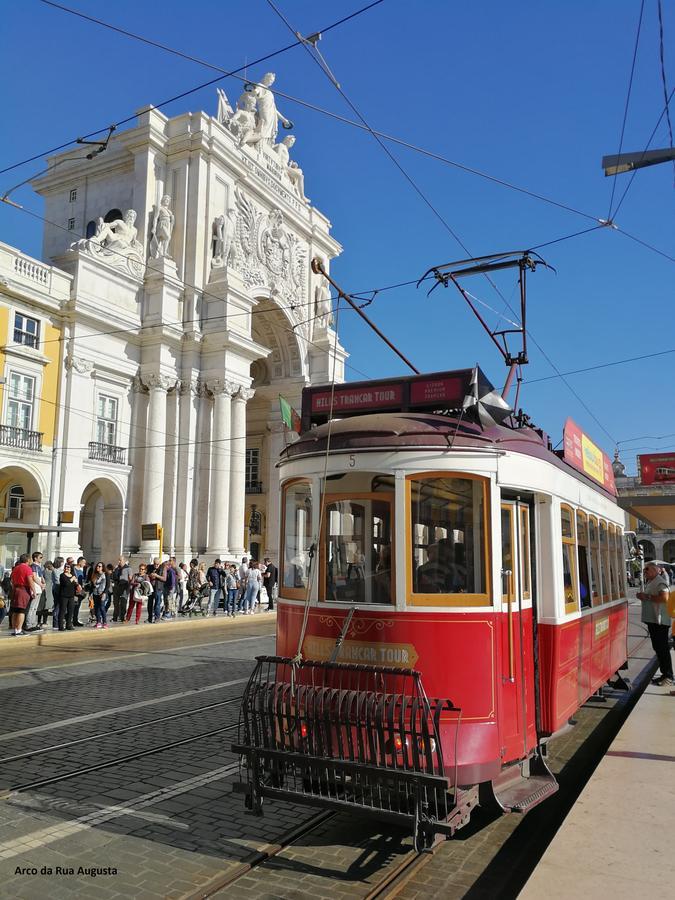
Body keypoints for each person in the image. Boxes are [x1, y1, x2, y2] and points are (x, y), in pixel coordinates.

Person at [637, 562, 673, 686]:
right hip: (653, 620)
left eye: (647, 570)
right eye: (644, 570)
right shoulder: (651, 582)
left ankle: (668, 676)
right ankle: (665, 675)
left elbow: (665, 598)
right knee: (658, 648)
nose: (644, 572)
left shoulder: (660, 581)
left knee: (662, 649)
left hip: (660, 621)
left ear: (655, 570)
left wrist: (646, 596)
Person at [10, 554, 40, 636]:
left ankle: (15, 629)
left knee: (15, 610)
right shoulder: (27, 568)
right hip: (23, 590)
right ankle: (19, 630)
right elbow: (30, 580)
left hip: (15, 589)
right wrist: (33, 591)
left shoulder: (16, 568)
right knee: (21, 611)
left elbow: (12, 580)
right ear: (28, 560)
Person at [26, 551, 46, 633]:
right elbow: (34, 577)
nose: (42, 559)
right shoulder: (33, 566)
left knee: (35, 608)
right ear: (35, 558)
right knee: (32, 607)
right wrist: (41, 584)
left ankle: (33, 624)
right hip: (36, 588)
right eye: (40, 557)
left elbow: (41, 576)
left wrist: (43, 583)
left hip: (39, 589)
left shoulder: (38, 566)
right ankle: (29, 624)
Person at [58, 562, 79, 631]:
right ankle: (61, 626)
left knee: (70, 611)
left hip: (71, 596)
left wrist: (78, 585)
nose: (67, 568)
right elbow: (66, 584)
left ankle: (69, 625)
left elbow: (75, 584)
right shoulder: (62, 575)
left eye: (68, 567)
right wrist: (72, 578)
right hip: (64, 596)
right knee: (63, 611)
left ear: (71, 568)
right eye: (66, 567)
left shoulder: (72, 575)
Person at [88, 562, 108, 629]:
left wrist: (104, 592)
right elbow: (92, 586)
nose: (98, 567)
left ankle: (105, 622)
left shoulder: (105, 574)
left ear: (102, 567)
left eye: (99, 566)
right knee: (96, 608)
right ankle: (98, 622)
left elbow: (107, 585)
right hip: (95, 593)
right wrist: (90, 594)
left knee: (102, 607)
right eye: (97, 566)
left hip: (102, 593)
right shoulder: (94, 575)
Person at [112, 556, 131, 622]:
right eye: (118, 560)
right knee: (116, 603)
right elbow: (114, 577)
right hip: (117, 588)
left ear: (124, 561)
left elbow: (130, 578)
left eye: (120, 560)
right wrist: (115, 570)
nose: (119, 562)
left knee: (123, 603)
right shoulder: (117, 568)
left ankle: (122, 616)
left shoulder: (128, 568)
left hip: (124, 588)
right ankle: (115, 617)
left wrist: (128, 587)